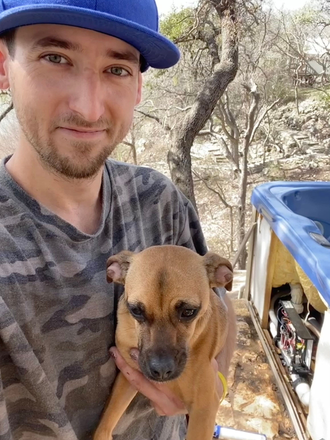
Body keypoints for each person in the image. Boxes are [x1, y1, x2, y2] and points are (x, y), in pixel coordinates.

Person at [0, 0, 236, 439]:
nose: (89, 108)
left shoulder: (161, 200)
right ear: (2, 66)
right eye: (56, 58)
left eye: (117, 69)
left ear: (139, 87)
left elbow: (220, 305)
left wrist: (211, 385)